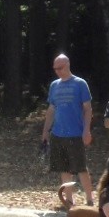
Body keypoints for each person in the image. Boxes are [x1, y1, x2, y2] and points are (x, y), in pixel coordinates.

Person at [40, 54, 94, 205]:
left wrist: (86, 130)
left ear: (68, 65)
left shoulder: (80, 83)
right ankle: (69, 200)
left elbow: (88, 109)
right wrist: (45, 131)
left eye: (60, 68)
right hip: (58, 133)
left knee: (81, 167)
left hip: (76, 133)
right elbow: (51, 109)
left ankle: (90, 199)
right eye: (55, 69)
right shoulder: (54, 85)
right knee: (64, 168)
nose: (58, 71)